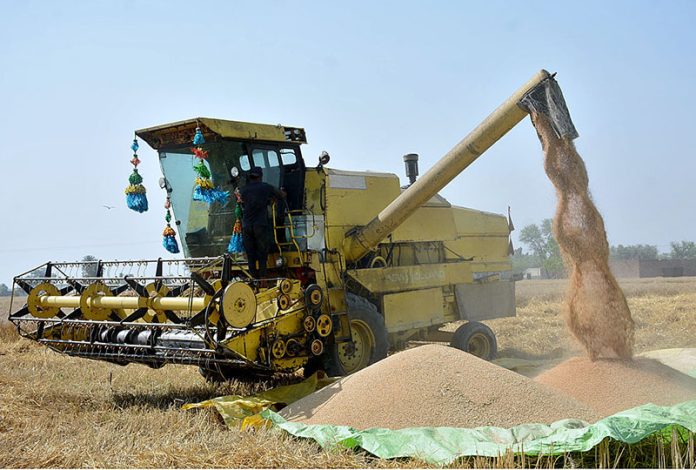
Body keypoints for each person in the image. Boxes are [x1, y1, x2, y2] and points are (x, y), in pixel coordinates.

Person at [238, 167, 285, 279]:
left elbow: (243, 202)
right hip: (260, 225)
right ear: (260, 176)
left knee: (250, 255)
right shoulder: (265, 187)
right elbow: (281, 195)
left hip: (246, 226)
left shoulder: (243, 190)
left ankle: (253, 280)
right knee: (262, 253)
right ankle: (263, 279)